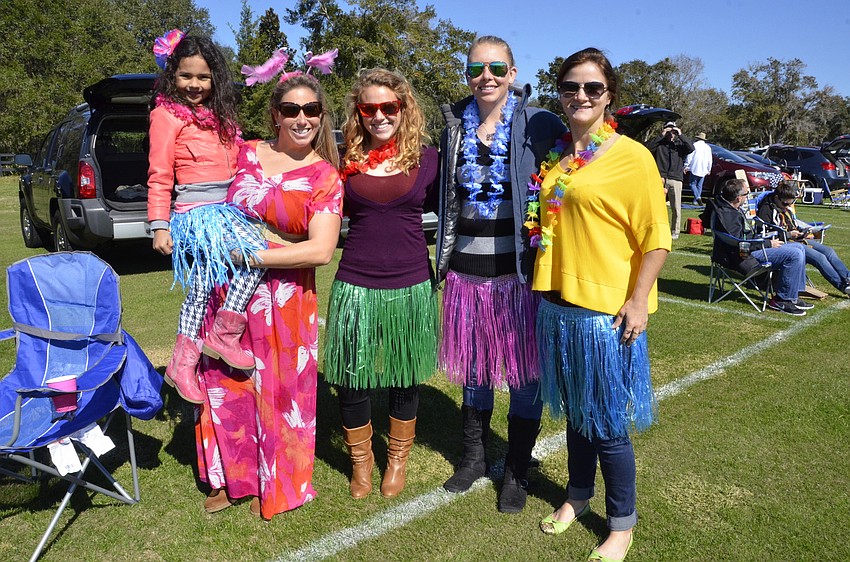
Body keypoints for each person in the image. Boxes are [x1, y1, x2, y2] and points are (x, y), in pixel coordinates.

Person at [528, 48, 670, 562]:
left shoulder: (632, 157)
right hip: (559, 308)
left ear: (609, 96)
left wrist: (638, 301)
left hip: (605, 313)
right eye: (570, 87)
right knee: (575, 414)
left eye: (592, 88)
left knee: (607, 422)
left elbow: (657, 238)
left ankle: (622, 525)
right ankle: (577, 498)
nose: (580, 96)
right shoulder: (560, 157)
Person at [193, 71, 343, 519]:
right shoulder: (245, 153)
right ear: (276, 114)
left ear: (320, 116)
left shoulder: (324, 176)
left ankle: (277, 479)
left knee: (281, 391)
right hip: (227, 293)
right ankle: (229, 478)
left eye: (311, 110)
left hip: (286, 298)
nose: (302, 118)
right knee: (225, 383)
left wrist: (252, 255)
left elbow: (320, 251)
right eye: (292, 109)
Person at [437, 35, 566, 514]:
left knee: (523, 375)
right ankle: (472, 459)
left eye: (495, 68)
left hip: (519, 277)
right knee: (474, 372)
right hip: (466, 275)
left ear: (513, 73)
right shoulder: (452, 126)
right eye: (475, 69)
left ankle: (516, 468)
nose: (485, 77)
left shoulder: (539, 123)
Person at [323, 68, 439, 500]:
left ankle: (397, 461)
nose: (378, 116)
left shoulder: (428, 159)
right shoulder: (342, 161)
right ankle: (361, 464)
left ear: (403, 108)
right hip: (356, 281)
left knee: (404, 377)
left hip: (411, 284)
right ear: (358, 112)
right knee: (351, 378)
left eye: (388, 107)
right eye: (368, 108)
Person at [147, 30, 267, 405]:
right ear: (171, 75)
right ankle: (214, 341)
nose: (195, 84)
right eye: (185, 76)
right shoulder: (166, 116)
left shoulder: (219, 117)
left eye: (203, 76)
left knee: (217, 277)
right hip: (196, 213)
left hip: (229, 209)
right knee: (246, 262)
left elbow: (239, 155)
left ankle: (192, 356)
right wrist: (159, 225)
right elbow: (159, 173)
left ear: (215, 76)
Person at [711, 178, 811, 316]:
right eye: (746, 194)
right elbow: (740, 243)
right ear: (738, 197)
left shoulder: (730, 208)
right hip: (742, 256)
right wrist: (768, 243)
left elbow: (743, 238)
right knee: (794, 254)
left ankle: (793, 296)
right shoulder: (728, 215)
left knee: (799, 248)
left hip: (746, 250)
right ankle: (782, 300)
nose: (748, 196)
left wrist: (763, 239)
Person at [757, 180, 850, 295]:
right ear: (776, 198)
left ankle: (848, 279)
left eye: (790, 204)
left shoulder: (783, 208)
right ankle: (843, 287)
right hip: (783, 242)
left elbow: (792, 224)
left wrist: (807, 232)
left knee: (829, 251)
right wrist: (789, 234)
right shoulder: (765, 210)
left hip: (796, 238)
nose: (787, 207)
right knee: (819, 258)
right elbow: (766, 234)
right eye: (785, 204)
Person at [647, 120, 694, 239]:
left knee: (676, 207)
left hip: (676, 178)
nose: (670, 133)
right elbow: (647, 148)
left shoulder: (679, 145)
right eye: (669, 130)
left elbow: (691, 148)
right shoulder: (659, 144)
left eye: (672, 130)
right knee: (656, 206)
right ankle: (655, 229)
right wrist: (661, 135)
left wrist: (680, 134)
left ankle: (675, 231)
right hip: (660, 177)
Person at [684, 132, 712, 206]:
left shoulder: (694, 145)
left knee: (692, 184)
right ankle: (696, 200)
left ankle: (697, 197)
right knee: (699, 185)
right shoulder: (708, 147)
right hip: (704, 168)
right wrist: (709, 169)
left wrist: (686, 165)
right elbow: (710, 159)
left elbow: (690, 156)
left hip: (695, 166)